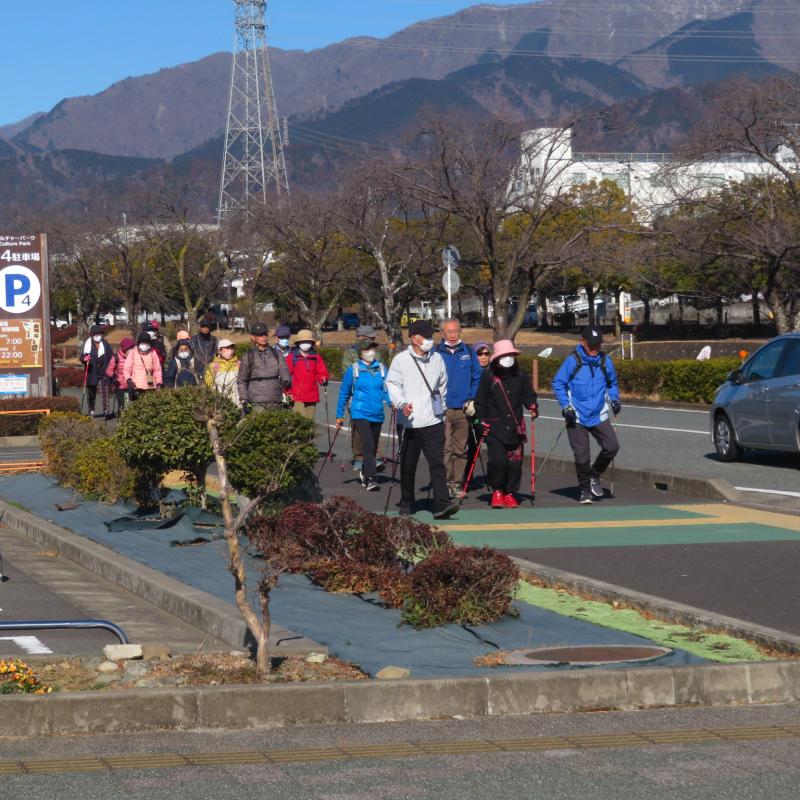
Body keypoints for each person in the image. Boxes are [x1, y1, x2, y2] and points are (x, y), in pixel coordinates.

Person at [385, 319, 458, 520]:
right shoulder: (400, 360)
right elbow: (392, 384)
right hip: (409, 422)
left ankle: (442, 504)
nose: (431, 340)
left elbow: (442, 385)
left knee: (437, 463)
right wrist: (401, 404)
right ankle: (407, 502)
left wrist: (441, 410)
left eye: (431, 336)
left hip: (433, 422)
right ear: (415, 338)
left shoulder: (437, 359)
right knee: (408, 464)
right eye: (427, 336)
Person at [552, 325, 621, 504]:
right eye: (591, 344)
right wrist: (566, 407)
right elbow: (558, 384)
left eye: (598, 344)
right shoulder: (572, 360)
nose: (595, 348)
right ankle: (585, 490)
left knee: (612, 446)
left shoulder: (605, 361)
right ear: (582, 342)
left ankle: (594, 475)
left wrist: (614, 399)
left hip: (598, 412)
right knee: (582, 455)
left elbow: (612, 383)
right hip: (576, 415)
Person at [475, 340, 538, 508]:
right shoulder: (488, 377)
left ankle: (510, 492)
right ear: (497, 358)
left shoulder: (521, 376)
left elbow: (529, 396)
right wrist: (481, 421)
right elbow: (480, 402)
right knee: (498, 461)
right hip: (495, 427)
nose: (508, 358)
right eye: (504, 355)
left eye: (511, 355)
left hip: (516, 427)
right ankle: (497, 491)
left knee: (515, 464)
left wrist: (533, 406)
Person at [436, 318, 482, 499]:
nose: (453, 335)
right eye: (449, 331)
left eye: (456, 331)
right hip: (443, 409)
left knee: (460, 449)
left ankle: (457, 483)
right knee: (445, 448)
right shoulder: (435, 353)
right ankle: (446, 483)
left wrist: (472, 398)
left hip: (463, 409)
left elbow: (476, 377)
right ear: (442, 333)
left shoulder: (469, 352)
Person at [336, 339, 390, 492]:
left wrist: (393, 403)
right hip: (359, 412)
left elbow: (388, 390)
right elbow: (343, 393)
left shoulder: (382, 369)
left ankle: (366, 472)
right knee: (368, 444)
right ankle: (371, 479)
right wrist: (339, 415)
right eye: (367, 350)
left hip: (377, 413)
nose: (371, 352)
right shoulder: (354, 370)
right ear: (360, 352)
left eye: (372, 349)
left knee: (372, 447)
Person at [341, 324, 385, 472]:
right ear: (361, 337)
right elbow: (346, 371)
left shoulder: (375, 352)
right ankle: (359, 457)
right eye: (370, 337)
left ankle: (375, 456)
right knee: (358, 430)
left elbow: (380, 368)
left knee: (374, 428)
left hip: (373, 395)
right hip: (356, 395)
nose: (372, 339)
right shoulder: (350, 352)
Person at [237, 321, 291, 413]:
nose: (264, 336)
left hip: (276, 400)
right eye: (260, 334)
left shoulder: (276, 353)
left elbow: (284, 369)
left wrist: (286, 379)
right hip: (257, 402)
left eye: (265, 334)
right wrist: (244, 399)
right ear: (253, 337)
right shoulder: (248, 355)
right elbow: (242, 380)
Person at [464, 342, 492, 485]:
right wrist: (470, 402)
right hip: (472, 415)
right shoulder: (469, 372)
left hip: (489, 415)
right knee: (472, 445)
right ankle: (465, 477)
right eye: (479, 354)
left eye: (486, 354)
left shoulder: (493, 372)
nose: (483, 357)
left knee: (492, 446)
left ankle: (494, 478)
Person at [287, 330, 329, 420]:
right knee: (300, 420)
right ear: (298, 343)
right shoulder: (292, 357)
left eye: (308, 341)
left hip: (312, 394)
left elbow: (321, 372)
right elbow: (286, 375)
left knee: (309, 421)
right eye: (303, 341)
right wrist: (287, 392)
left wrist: (323, 378)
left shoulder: (316, 357)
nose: (305, 344)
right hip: (296, 395)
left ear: (312, 343)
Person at [80, 324, 113, 417]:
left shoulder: (105, 344)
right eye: (95, 334)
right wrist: (84, 359)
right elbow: (82, 357)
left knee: (105, 391)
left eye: (99, 334)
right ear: (91, 335)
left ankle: (106, 410)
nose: (98, 336)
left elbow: (111, 356)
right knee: (91, 392)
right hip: (92, 371)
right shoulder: (87, 344)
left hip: (103, 371)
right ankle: (91, 410)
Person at [124, 332, 163, 397]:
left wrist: (158, 383)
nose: (144, 345)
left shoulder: (153, 353)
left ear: (150, 343)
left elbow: (157, 370)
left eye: (146, 343)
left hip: (150, 388)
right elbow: (126, 369)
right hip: (136, 387)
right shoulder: (133, 353)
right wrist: (128, 380)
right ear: (139, 343)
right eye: (142, 342)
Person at [205, 338, 240, 406]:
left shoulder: (239, 364)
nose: (230, 351)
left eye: (231, 348)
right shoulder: (213, 366)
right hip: (221, 405)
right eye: (227, 348)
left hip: (238, 403)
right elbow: (209, 384)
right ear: (219, 351)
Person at [105, 336, 135, 414]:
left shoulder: (133, 357)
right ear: (125, 349)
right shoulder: (116, 357)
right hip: (120, 386)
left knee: (128, 406)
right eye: (130, 348)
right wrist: (113, 376)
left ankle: (126, 422)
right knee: (123, 406)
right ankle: (121, 421)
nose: (132, 350)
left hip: (130, 385)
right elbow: (108, 371)